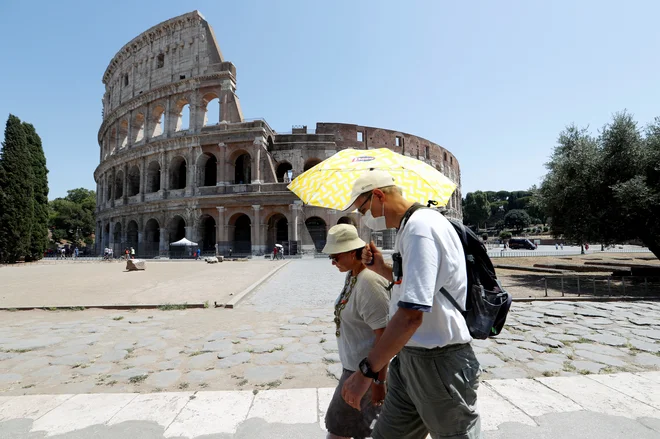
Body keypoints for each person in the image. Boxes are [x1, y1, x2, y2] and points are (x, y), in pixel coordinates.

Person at [339, 170, 480, 439]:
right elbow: (420, 286)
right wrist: (382, 268)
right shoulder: (410, 227)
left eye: (364, 208)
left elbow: (411, 316)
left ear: (379, 195)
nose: (364, 216)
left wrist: (367, 371)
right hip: (410, 357)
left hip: (438, 361)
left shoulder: (420, 229)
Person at [322, 224, 390, 439]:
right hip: (354, 368)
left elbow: (385, 335)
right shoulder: (353, 275)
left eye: (335, 256)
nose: (332, 262)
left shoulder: (369, 281)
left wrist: (379, 381)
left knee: (341, 428)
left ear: (352, 253)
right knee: (349, 429)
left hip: (366, 372)